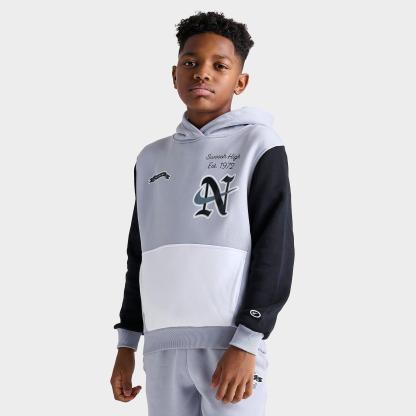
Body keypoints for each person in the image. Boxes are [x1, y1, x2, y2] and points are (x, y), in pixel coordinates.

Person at [110, 10, 295, 416]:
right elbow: (139, 255)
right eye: (191, 62)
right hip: (161, 347)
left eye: (219, 65)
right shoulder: (150, 157)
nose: (202, 73)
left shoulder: (259, 145)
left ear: (241, 81)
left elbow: (275, 249)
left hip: (229, 346)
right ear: (174, 74)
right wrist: (127, 343)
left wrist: (247, 339)